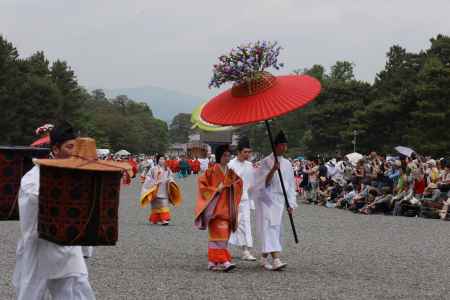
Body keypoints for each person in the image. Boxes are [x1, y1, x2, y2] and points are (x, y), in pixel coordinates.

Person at [13, 121, 95, 300]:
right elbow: (33, 212)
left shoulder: (76, 176)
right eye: (69, 147)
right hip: (39, 246)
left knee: (77, 291)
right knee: (31, 293)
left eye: (76, 147)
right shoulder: (34, 177)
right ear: (56, 149)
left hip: (68, 247)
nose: (74, 152)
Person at [194, 145, 243, 272]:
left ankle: (212, 261)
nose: (228, 158)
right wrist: (216, 189)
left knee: (223, 236)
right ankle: (224, 261)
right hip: (215, 208)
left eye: (229, 155)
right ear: (219, 156)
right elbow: (202, 186)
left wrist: (233, 185)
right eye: (225, 155)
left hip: (227, 206)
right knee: (218, 235)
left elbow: (239, 183)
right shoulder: (211, 171)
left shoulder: (231, 172)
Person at [254, 130, 297, 271]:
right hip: (267, 198)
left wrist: (290, 204)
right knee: (270, 227)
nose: (284, 148)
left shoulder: (288, 164)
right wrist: (272, 170)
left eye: (286, 145)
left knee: (275, 228)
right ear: (276, 146)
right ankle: (276, 259)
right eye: (282, 145)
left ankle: (264, 257)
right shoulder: (265, 162)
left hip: (279, 199)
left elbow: (290, 186)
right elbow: (262, 183)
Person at [228, 137, 257, 261]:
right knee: (231, 223)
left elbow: (251, 185)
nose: (248, 154)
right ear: (238, 152)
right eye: (245, 152)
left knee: (245, 224)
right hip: (232, 198)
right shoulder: (231, 165)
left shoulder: (250, 165)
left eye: (249, 152)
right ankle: (222, 248)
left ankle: (246, 250)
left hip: (244, 199)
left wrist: (251, 201)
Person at [141, 155, 175, 225]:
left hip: (164, 189)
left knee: (164, 203)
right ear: (157, 160)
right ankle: (155, 219)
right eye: (160, 159)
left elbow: (171, 176)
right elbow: (148, 178)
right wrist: (154, 182)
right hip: (155, 189)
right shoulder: (153, 169)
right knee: (155, 205)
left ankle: (165, 219)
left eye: (163, 159)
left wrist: (170, 180)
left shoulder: (167, 169)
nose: (162, 161)